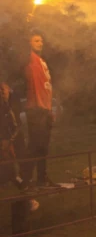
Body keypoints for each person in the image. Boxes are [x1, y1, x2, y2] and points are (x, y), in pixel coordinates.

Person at [22, 31, 56, 187]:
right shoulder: (30, 60)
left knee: (44, 147)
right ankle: (26, 180)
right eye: (36, 40)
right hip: (35, 109)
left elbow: (46, 87)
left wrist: (49, 109)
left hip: (45, 110)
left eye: (41, 40)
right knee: (34, 146)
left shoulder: (42, 61)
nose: (40, 43)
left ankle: (42, 178)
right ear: (29, 43)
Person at [0, 82, 39, 211]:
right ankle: (26, 193)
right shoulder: (4, 104)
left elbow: (14, 123)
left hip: (14, 138)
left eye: (3, 90)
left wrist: (8, 141)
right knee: (9, 170)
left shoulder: (13, 100)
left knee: (20, 165)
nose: (2, 93)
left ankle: (28, 196)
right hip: (7, 139)